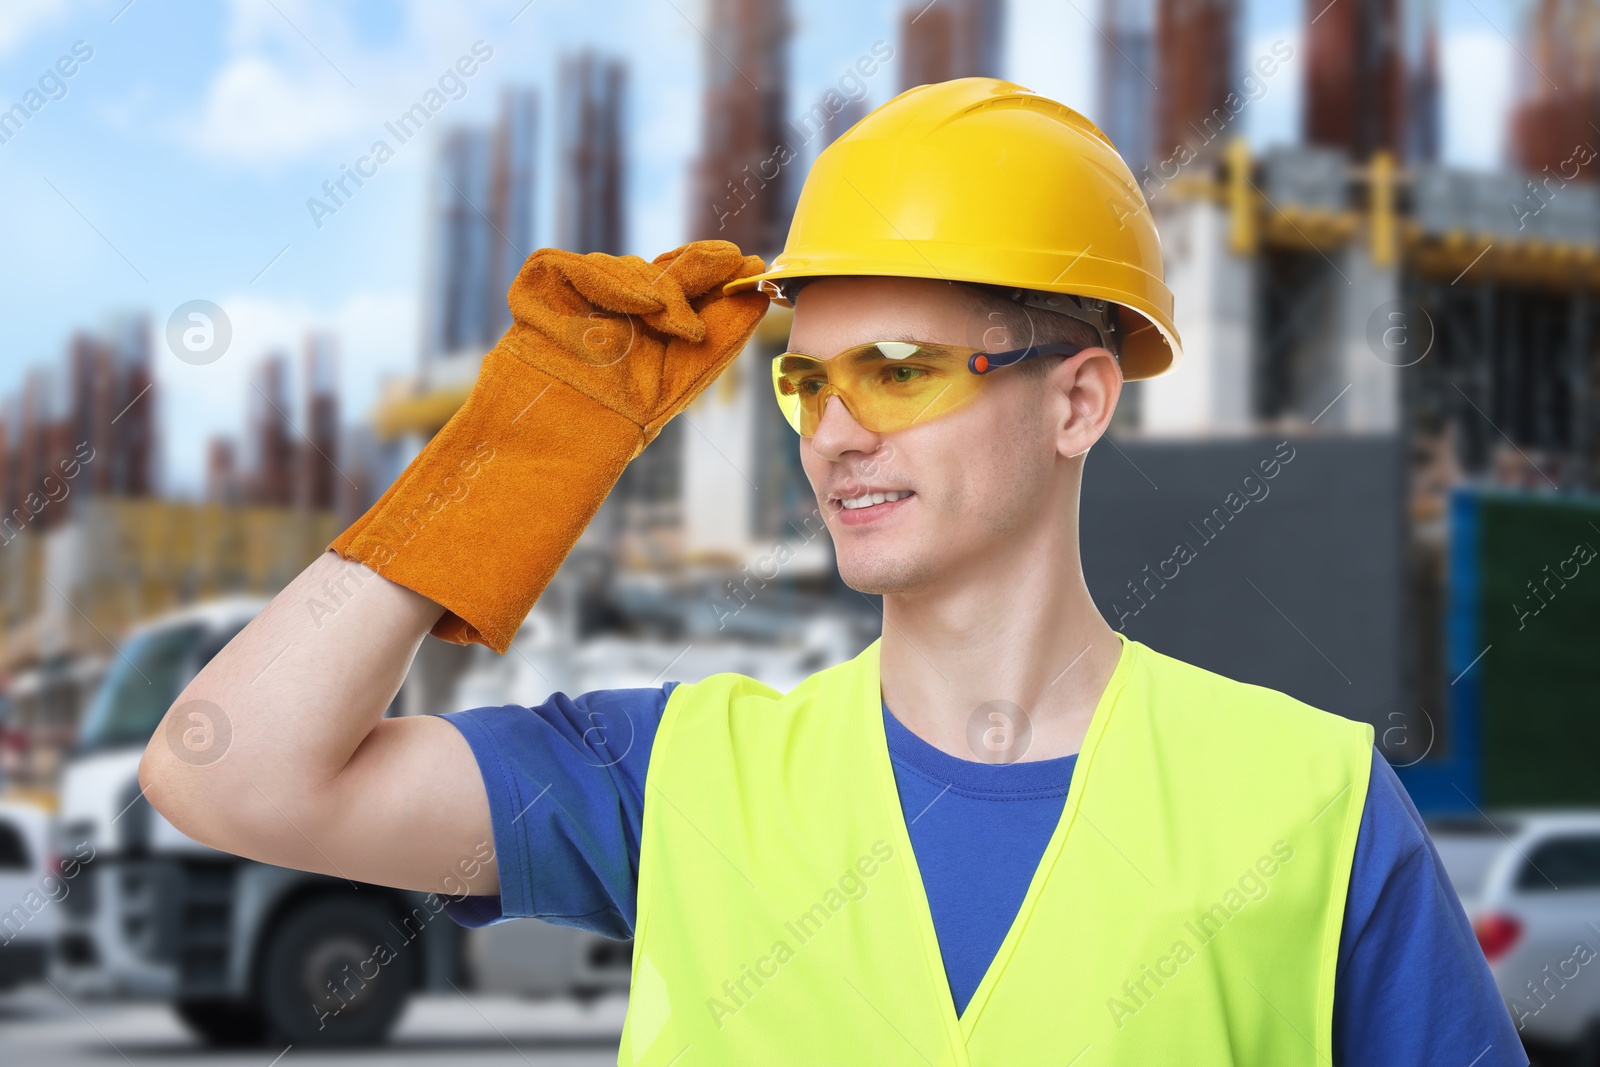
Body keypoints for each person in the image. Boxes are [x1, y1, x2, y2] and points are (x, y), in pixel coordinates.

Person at [140, 78, 1525, 1065]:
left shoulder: (1313, 804)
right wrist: (523, 442)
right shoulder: (670, 780)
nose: (839, 432)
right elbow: (226, 771)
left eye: (903, 372)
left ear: (1079, 402)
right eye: (808, 384)